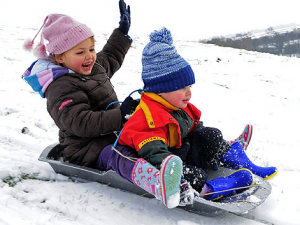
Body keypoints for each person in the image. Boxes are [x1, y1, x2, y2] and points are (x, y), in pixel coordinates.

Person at [21, 1, 186, 209]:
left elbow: (110, 55)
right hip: (86, 148)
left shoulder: (93, 67)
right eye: (80, 52)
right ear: (60, 57)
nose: (89, 56)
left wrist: (122, 32)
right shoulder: (59, 87)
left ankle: (170, 167)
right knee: (120, 156)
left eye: (91, 48)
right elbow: (80, 122)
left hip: (113, 134)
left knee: (146, 136)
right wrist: (120, 115)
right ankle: (158, 184)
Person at [118, 27, 277, 204]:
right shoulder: (146, 119)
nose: (188, 93)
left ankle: (238, 160)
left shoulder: (176, 105)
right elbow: (156, 157)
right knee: (190, 173)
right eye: (182, 88)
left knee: (211, 134)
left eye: (190, 88)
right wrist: (181, 170)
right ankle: (208, 190)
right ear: (160, 88)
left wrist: (214, 147)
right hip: (163, 161)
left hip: (178, 150)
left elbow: (195, 128)